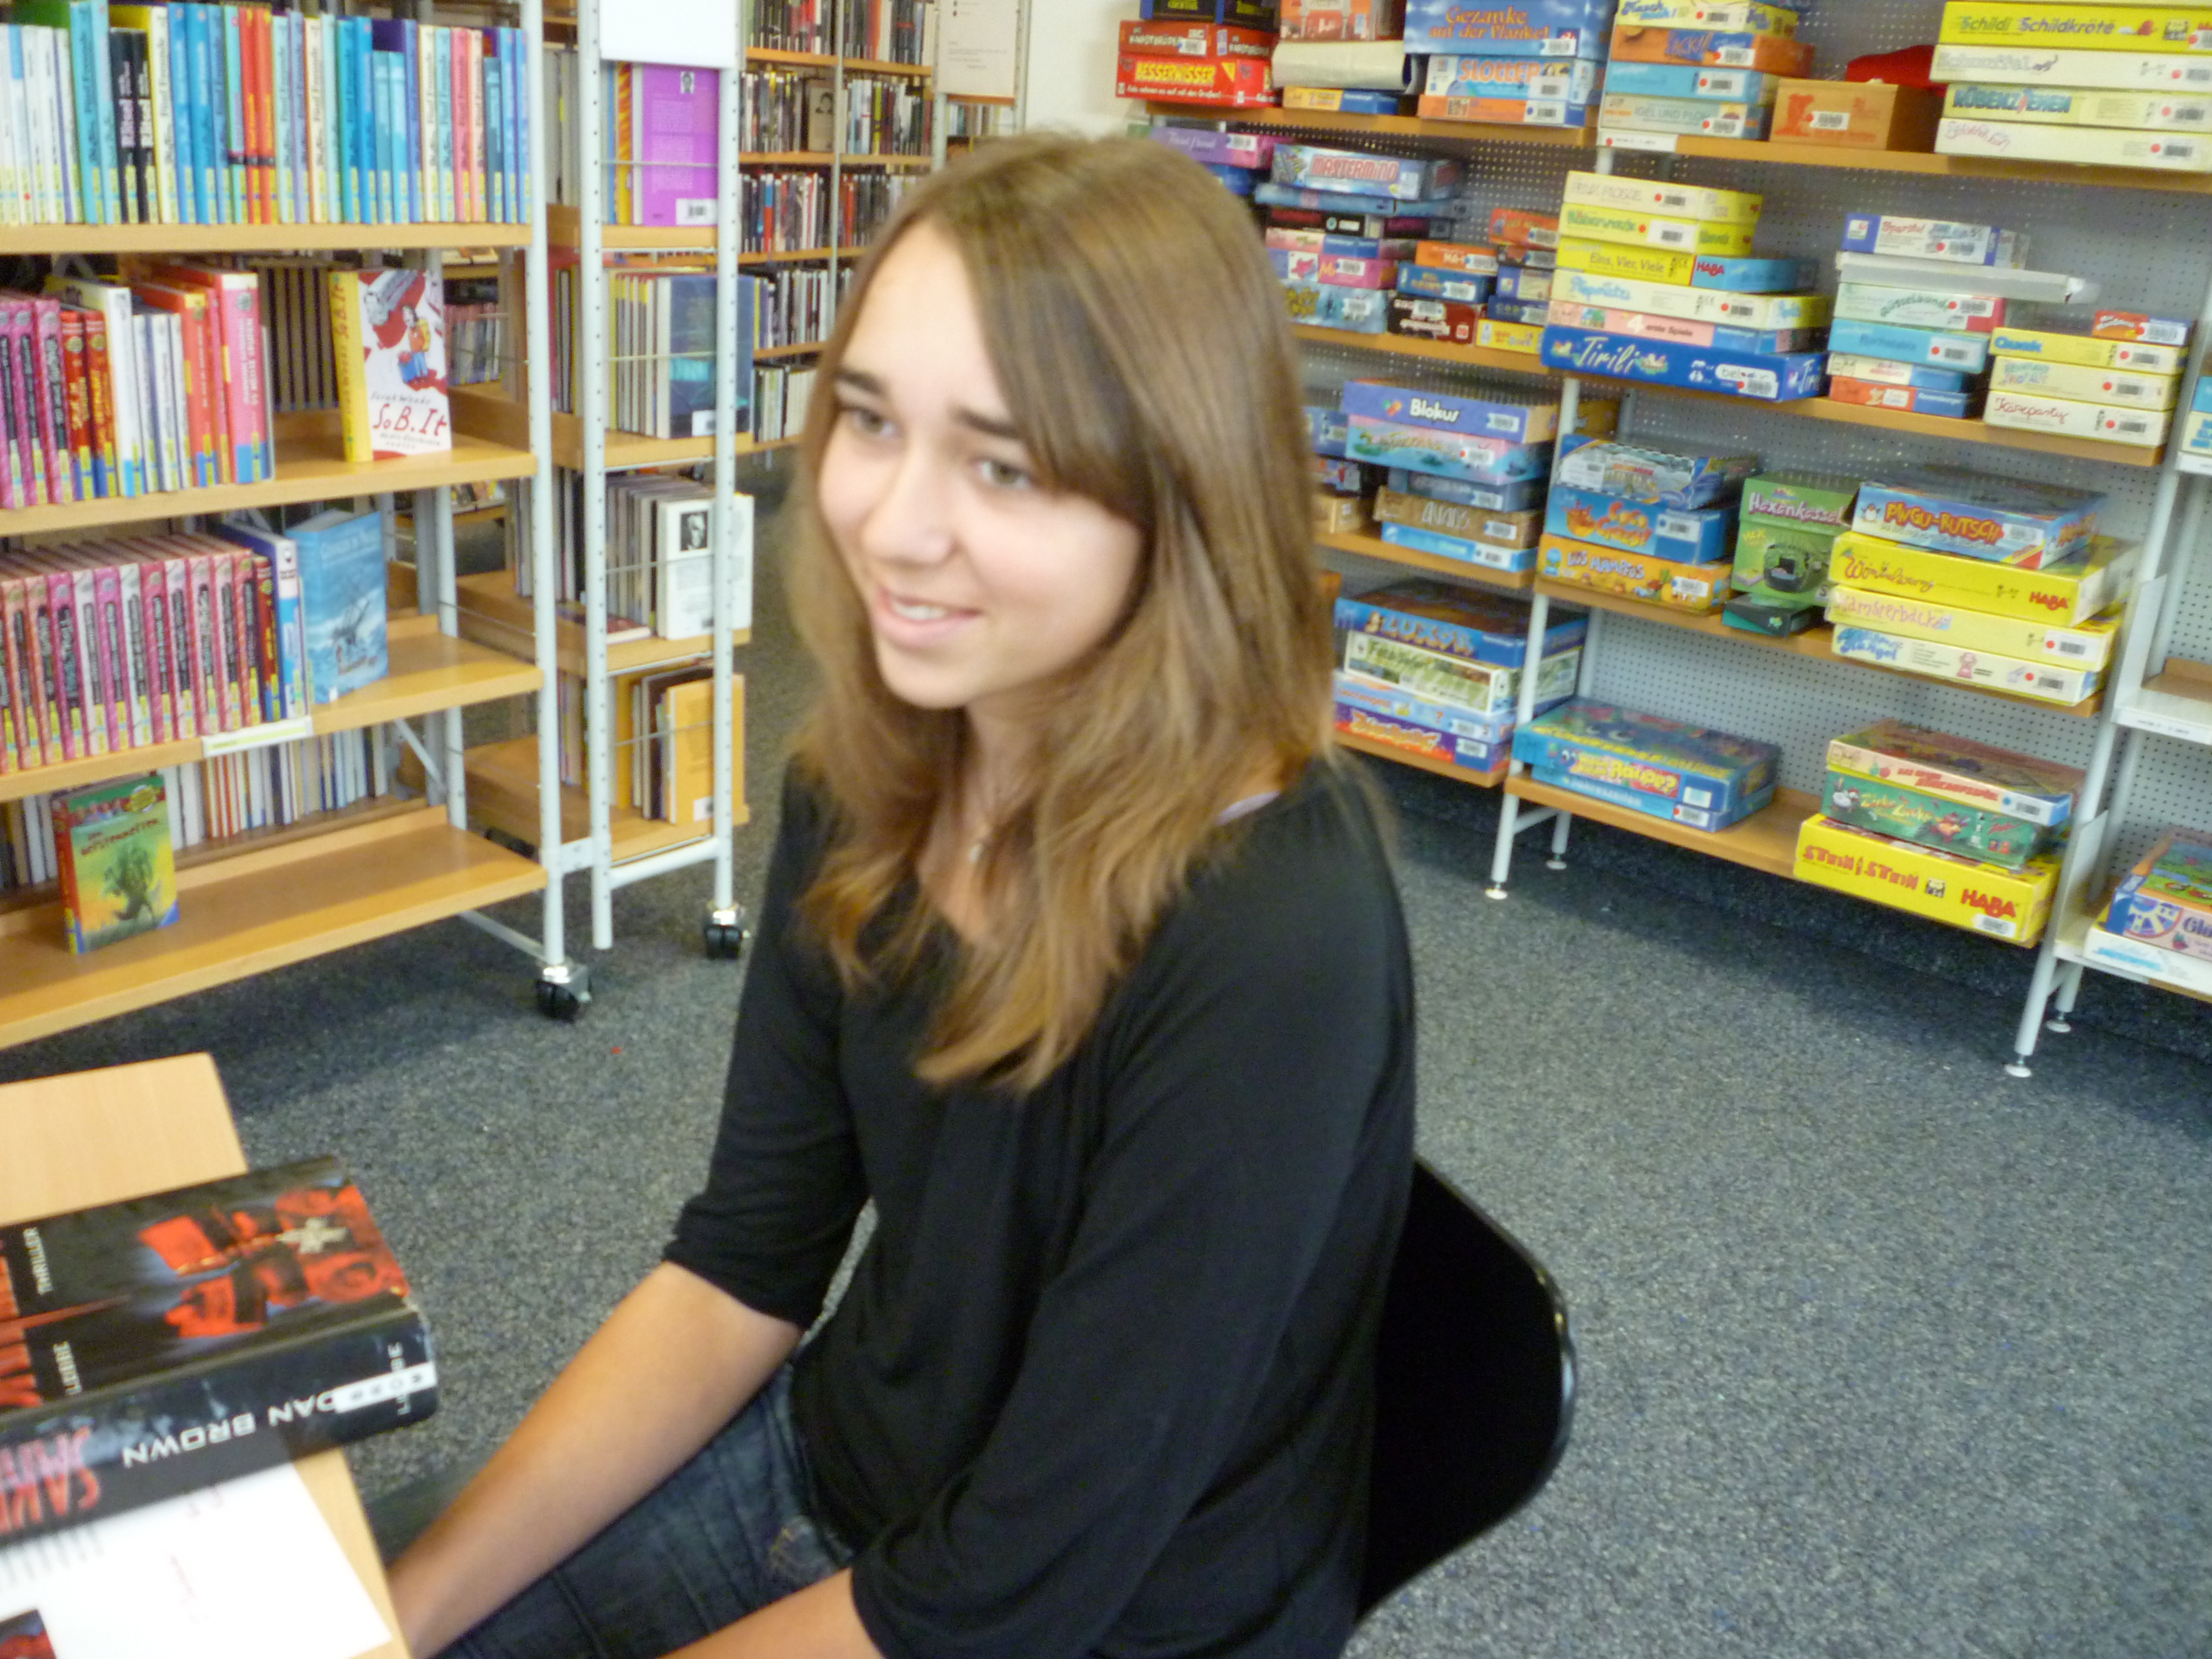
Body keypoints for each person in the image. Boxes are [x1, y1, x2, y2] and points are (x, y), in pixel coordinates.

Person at [388, 132, 1416, 1659]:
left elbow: (1014, 1589)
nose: (892, 525)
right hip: (850, 1475)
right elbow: (741, 1267)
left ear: (1183, 502)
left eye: (1005, 465)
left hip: (1098, 1620)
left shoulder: (1277, 940)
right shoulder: (871, 773)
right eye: (871, 421)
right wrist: (392, 1627)